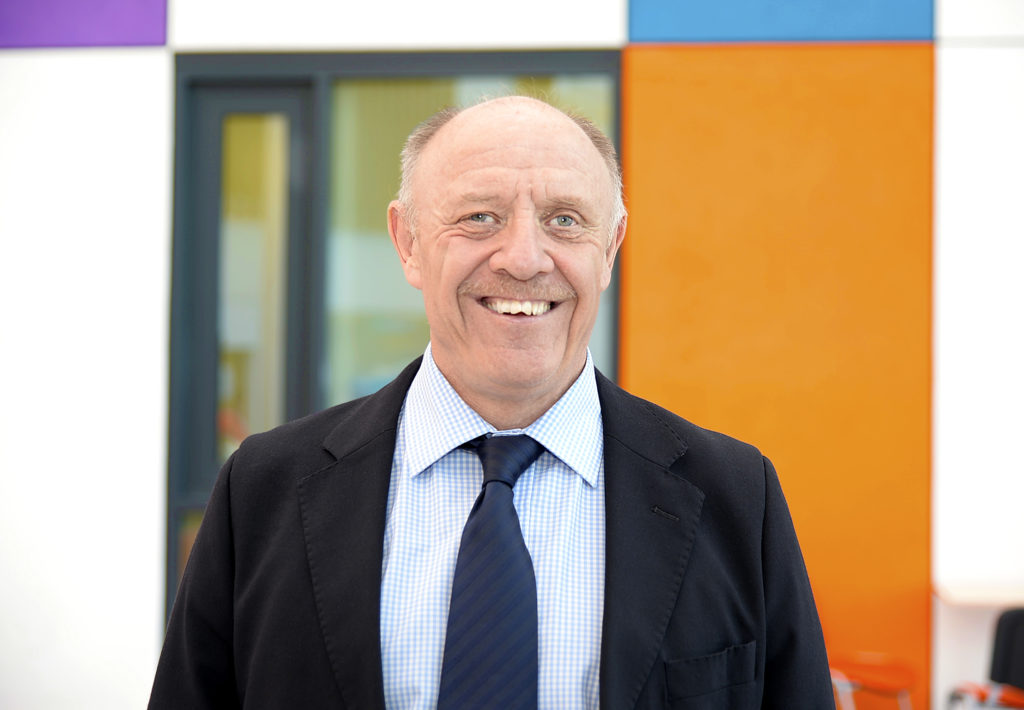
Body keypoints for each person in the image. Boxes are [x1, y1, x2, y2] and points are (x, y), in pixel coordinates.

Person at [149, 96, 835, 709]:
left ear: (610, 247)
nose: (524, 258)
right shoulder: (264, 487)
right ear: (408, 242)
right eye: (480, 218)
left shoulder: (738, 497)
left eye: (565, 220)